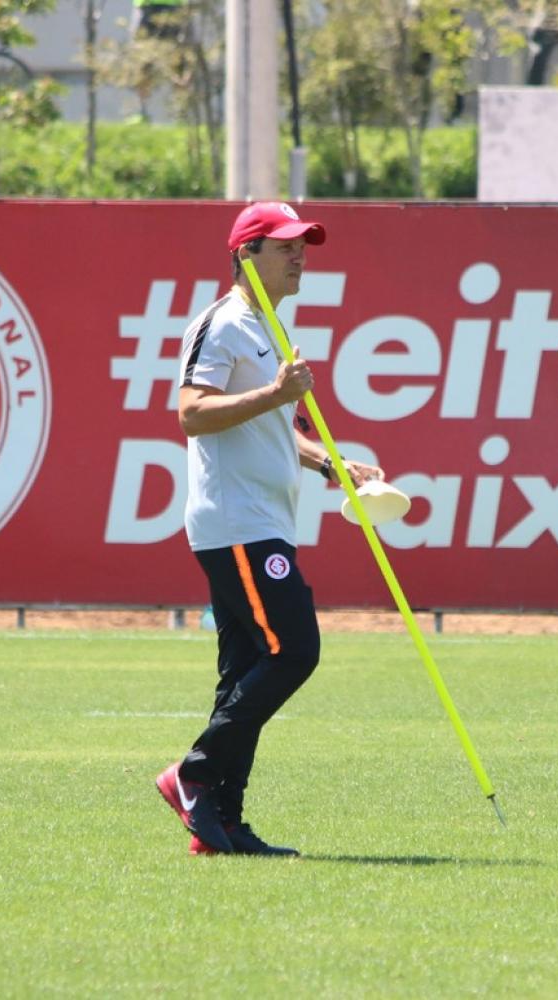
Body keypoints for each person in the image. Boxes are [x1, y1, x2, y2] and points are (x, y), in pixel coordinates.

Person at [155, 202, 383, 857]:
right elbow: (192, 414)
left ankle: (220, 823)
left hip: (262, 519)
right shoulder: (222, 324)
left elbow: (272, 426)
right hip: (236, 523)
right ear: (244, 254)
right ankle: (194, 773)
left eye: (302, 245)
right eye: (284, 246)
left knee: (246, 669)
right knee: (294, 649)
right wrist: (277, 394)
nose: (299, 255)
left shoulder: (270, 327)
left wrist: (328, 462)